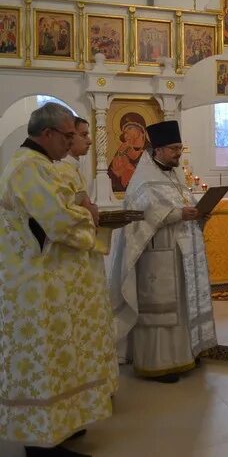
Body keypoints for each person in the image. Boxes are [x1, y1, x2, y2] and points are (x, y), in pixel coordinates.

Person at [0, 103, 112, 457]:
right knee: (46, 360)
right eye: (67, 135)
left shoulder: (41, 165)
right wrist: (88, 214)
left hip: (49, 282)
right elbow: (58, 221)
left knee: (60, 356)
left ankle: (58, 430)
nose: (72, 142)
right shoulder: (26, 168)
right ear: (46, 134)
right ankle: (42, 443)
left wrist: (82, 212)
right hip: (33, 285)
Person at [109, 120, 217, 383]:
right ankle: (158, 362)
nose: (178, 153)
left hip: (182, 252)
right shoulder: (143, 179)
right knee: (162, 310)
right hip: (158, 254)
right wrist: (179, 213)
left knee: (182, 305)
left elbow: (185, 206)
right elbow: (139, 214)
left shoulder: (174, 175)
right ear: (157, 149)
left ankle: (185, 354)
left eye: (179, 148)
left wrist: (199, 212)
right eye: (173, 149)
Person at [54, 116, 119, 390]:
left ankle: (97, 378)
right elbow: (75, 214)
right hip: (74, 258)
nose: (89, 140)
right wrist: (91, 213)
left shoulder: (73, 169)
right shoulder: (62, 171)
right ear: (67, 138)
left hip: (85, 253)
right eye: (83, 134)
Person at [108, 112, 150, 193]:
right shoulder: (124, 148)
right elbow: (112, 179)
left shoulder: (151, 151)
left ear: (141, 129)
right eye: (125, 132)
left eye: (130, 128)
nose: (126, 133)